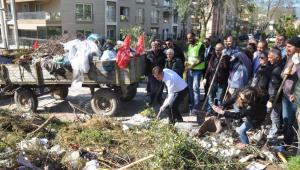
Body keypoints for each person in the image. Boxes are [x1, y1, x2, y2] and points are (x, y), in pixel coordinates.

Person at [280, 37, 300, 145]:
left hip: (295, 97)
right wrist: (286, 73)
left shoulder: (298, 60)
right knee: (286, 120)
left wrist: (297, 65)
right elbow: (282, 74)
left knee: (291, 122)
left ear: (297, 48)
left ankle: (289, 143)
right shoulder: (290, 57)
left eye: (289, 46)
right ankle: (285, 142)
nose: (286, 48)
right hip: (285, 94)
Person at [204, 43, 230, 115]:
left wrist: (223, 58)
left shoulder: (226, 58)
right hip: (212, 80)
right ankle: (209, 110)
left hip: (222, 82)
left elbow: (225, 67)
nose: (217, 51)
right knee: (210, 97)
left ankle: (217, 112)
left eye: (219, 50)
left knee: (219, 99)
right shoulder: (213, 57)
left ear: (222, 50)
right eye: (216, 50)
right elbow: (209, 68)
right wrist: (205, 78)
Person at [266, 47, 285, 139]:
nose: (268, 59)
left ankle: (275, 132)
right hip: (274, 96)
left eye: (270, 57)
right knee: (274, 115)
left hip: (276, 97)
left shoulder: (277, 70)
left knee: (275, 115)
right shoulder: (276, 66)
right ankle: (274, 129)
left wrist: (271, 99)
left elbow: (275, 86)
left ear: (277, 58)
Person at [185, 33, 206, 115]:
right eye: (188, 38)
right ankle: (192, 104)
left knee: (195, 88)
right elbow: (188, 57)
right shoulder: (189, 46)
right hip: (190, 70)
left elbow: (201, 59)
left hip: (197, 70)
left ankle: (196, 106)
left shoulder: (200, 45)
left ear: (194, 37)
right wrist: (186, 64)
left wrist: (191, 66)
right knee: (190, 88)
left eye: (190, 38)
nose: (189, 40)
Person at [145, 40, 166, 105]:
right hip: (151, 73)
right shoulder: (148, 54)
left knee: (160, 86)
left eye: (156, 46)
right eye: (153, 46)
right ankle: (152, 99)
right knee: (153, 87)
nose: (154, 47)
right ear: (151, 46)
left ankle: (159, 99)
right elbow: (146, 63)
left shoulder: (163, 54)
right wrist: (146, 72)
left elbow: (165, 63)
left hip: (160, 73)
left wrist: (163, 71)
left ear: (158, 47)